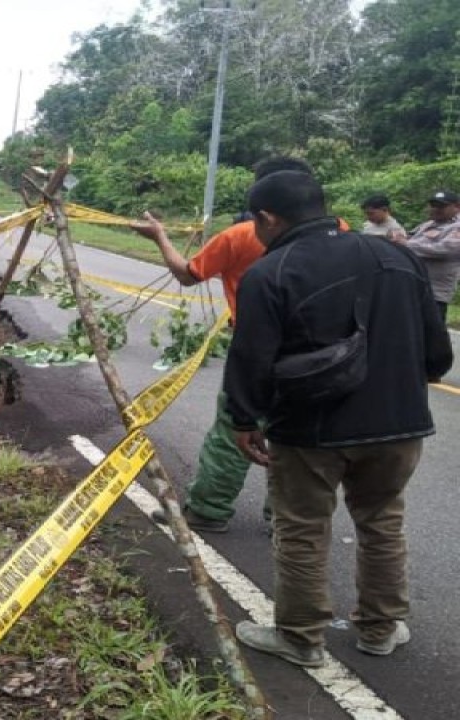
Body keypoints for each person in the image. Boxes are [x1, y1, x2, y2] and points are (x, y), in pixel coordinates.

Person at [225, 170, 452, 667]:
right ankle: (380, 629)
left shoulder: (271, 271)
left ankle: (300, 638)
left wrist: (243, 419)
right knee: (382, 522)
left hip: (310, 430)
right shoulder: (397, 257)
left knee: (302, 528)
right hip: (398, 425)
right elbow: (438, 355)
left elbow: (251, 358)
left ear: (268, 218)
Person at [128, 156, 329, 533]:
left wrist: (160, 237)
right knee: (297, 435)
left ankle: (208, 509)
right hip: (320, 356)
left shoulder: (239, 237)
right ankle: (285, 519)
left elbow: (188, 274)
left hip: (256, 350)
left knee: (233, 430)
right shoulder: (340, 235)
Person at [403, 190, 460, 322]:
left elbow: (445, 249)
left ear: (457, 207)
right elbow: (408, 237)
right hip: (416, 285)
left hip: (436, 291)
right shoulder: (428, 225)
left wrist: (407, 244)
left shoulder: (456, 227)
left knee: (433, 329)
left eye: (441, 206)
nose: (435, 209)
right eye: (433, 205)